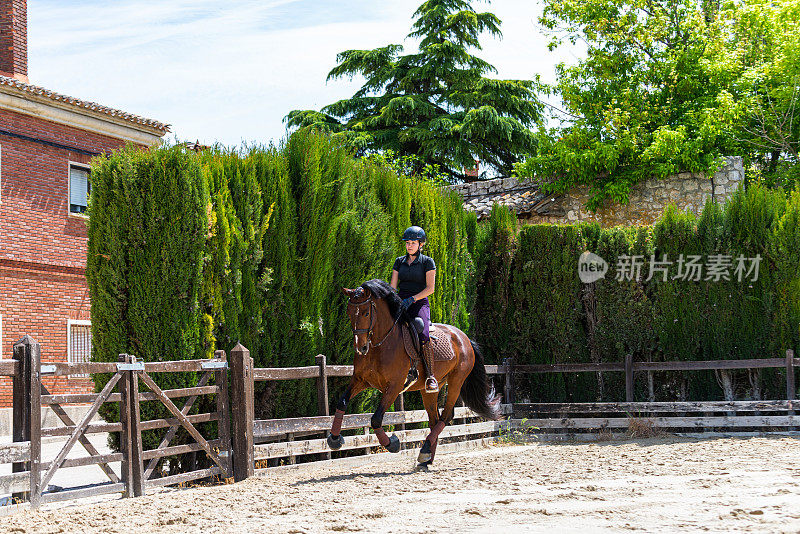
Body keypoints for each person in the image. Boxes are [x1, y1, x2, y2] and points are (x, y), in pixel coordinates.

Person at [390, 225, 438, 393]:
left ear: (421, 244)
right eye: (407, 242)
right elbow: (393, 287)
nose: (409, 245)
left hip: (419, 302)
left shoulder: (427, 262)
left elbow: (430, 288)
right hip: (401, 301)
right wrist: (392, 300)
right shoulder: (399, 261)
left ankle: (431, 376)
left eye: (413, 242)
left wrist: (413, 299)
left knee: (422, 330)